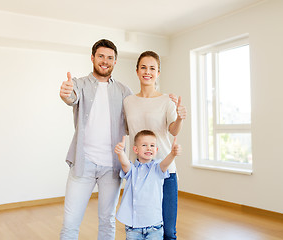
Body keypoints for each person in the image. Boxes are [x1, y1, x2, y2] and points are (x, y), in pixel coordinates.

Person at [59, 39, 132, 240]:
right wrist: (66, 94)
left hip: (112, 167)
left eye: (110, 57)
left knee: (107, 220)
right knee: (70, 223)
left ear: (115, 61)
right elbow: (70, 97)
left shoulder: (124, 91)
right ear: (93, 58)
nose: (105, 61)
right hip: (84, 164)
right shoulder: (79, 84)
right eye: (101, 56)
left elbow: (134, 119)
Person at [123, 51, 187, 239]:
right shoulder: (128, 101)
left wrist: (180, 118)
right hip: (139, 173)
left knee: (168, 230)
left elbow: (173, 130)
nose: (147, 72)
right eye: (143, 67)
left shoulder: (167, 100)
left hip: (164, 170)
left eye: (152, 68)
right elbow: (126, 131)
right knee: (138, 229)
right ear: (136, 71)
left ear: (158, 73)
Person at [114, 130, 181, 240]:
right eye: (144, 145)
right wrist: (121, 153)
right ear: (136, 149)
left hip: (154, 227)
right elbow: (125, 164)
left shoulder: (158, 169)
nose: (149, 148)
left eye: (152, 145)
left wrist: (172, 154)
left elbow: (165, 164)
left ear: (156, 150)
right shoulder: (132, 170)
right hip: (133, 228)